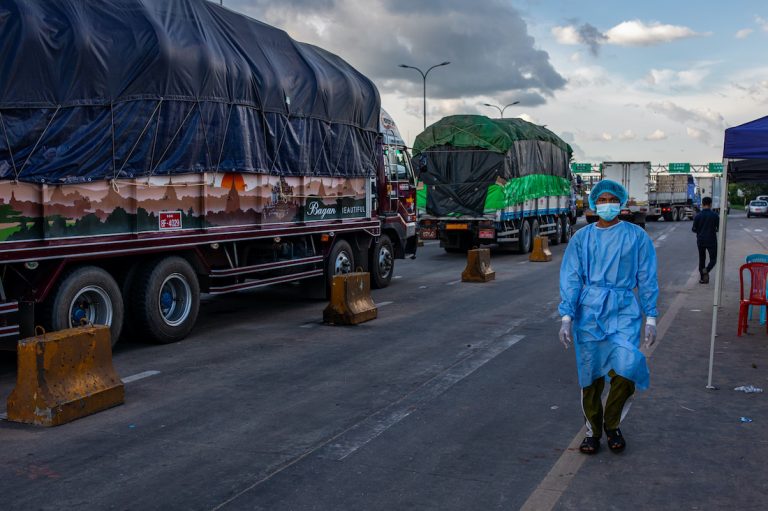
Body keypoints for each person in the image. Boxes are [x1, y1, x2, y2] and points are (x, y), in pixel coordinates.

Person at [558, 179, 659, 455]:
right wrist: (566, 315)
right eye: (600, 201)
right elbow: (571, 277)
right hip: (589, 311)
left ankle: (612, 424)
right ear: (593, 205)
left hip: (624, 310)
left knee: (626, 370)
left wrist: (650, 316)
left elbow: (647, 277)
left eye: (610, 200)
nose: (606, 205)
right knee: (590, 376)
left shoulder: (637, 237)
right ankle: (593, 431)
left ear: (621, 202)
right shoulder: (582, 238)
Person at [692, 197, 719, 284]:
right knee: (713, 259)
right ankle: (706, 270)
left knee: (702, 259)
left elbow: (693, 229)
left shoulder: (698, 216)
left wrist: (700, 230)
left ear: (702, 204)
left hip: (701, 241)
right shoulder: (715, 215)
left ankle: (703, 278)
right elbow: (718, 228)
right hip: (712, 240)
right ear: (710, 204)